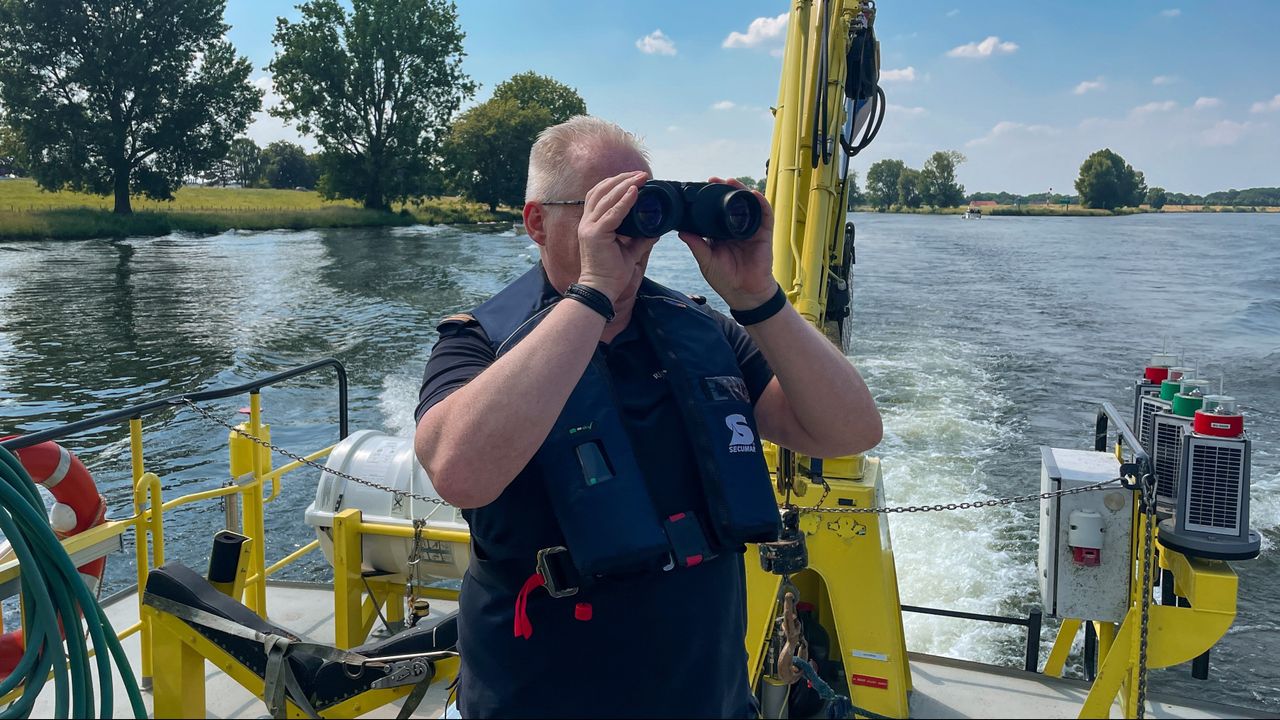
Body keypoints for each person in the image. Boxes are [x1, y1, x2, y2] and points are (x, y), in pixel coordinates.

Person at [414, 116, 881, 719]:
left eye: (643, 208)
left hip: (705, 700)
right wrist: (592, 294)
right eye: (605, 209)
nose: (632, 235)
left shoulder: (701, 334)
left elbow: (850, 430)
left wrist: (757, 297)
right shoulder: (481, 344)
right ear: (537, 222)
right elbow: (459, 474)